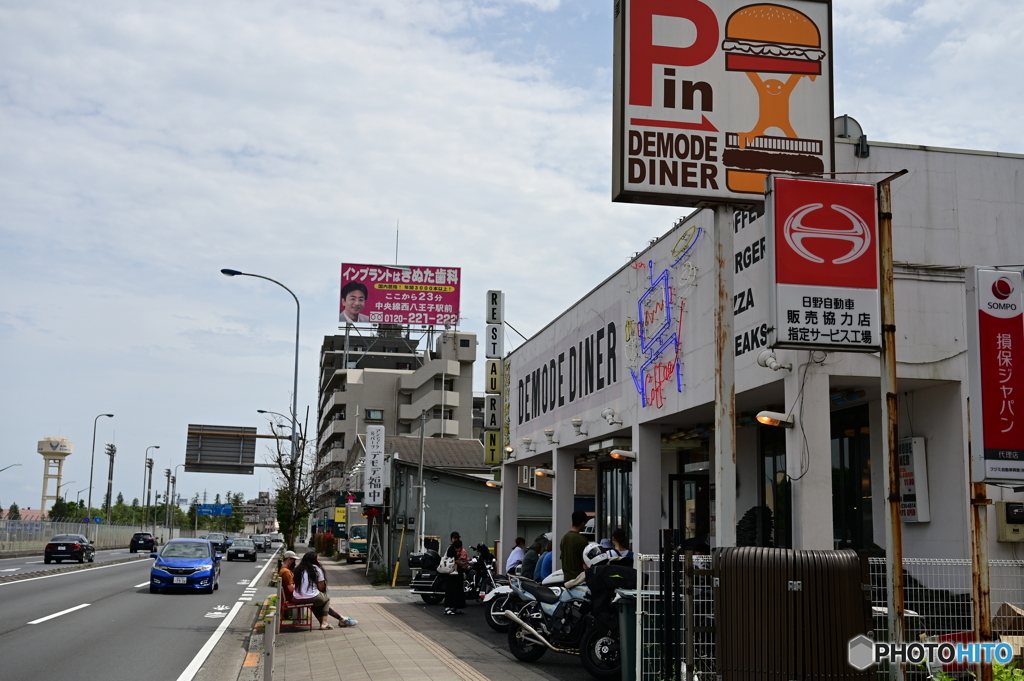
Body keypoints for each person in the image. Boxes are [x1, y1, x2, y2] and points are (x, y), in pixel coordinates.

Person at [293, 551, 356, 629]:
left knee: (316, 602)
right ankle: (324, 623)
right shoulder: (316, 569)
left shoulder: (298, 569)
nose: (319, 561)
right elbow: (321, 585)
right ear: (314, 560)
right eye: (318, 560)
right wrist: (321, 592)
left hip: (296, 598)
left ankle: (341, 619)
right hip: (312, 597)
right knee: (325, 599)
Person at [559, 510, 590, 582]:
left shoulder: (564, 538)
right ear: (582, 523)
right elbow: (585, 564)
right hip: (579, 579)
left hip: (567, 579)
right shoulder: (582, 540)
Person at [443, 539, 469, 615]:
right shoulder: (451, 549)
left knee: (456, 591)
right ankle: (448, 607)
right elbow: (455, 560)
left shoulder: (456, 550)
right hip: (451, 574)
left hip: (457, 575)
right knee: (451, 591)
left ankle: (454, 607)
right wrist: (463, 566)